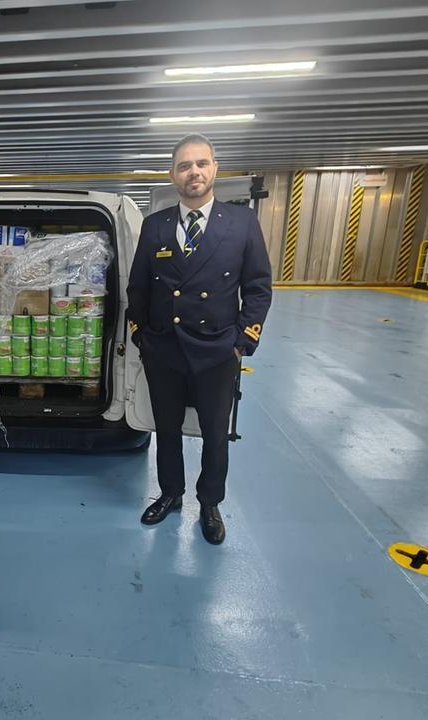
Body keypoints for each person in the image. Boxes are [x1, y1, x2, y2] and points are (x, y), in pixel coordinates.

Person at [125, 133, 273, 545]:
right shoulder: (155, 225)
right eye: (185, 165)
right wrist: (141, 335)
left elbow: (258, 287)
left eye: (201, 163)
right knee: (166, 429)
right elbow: (138, 288)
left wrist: (242, 341)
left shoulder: (242, 223)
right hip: (164, 348)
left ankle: (209, 503)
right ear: (173, 175)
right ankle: (171, 493)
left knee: (214, 433)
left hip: (217, 350)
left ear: (214, 169)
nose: (194, 172)